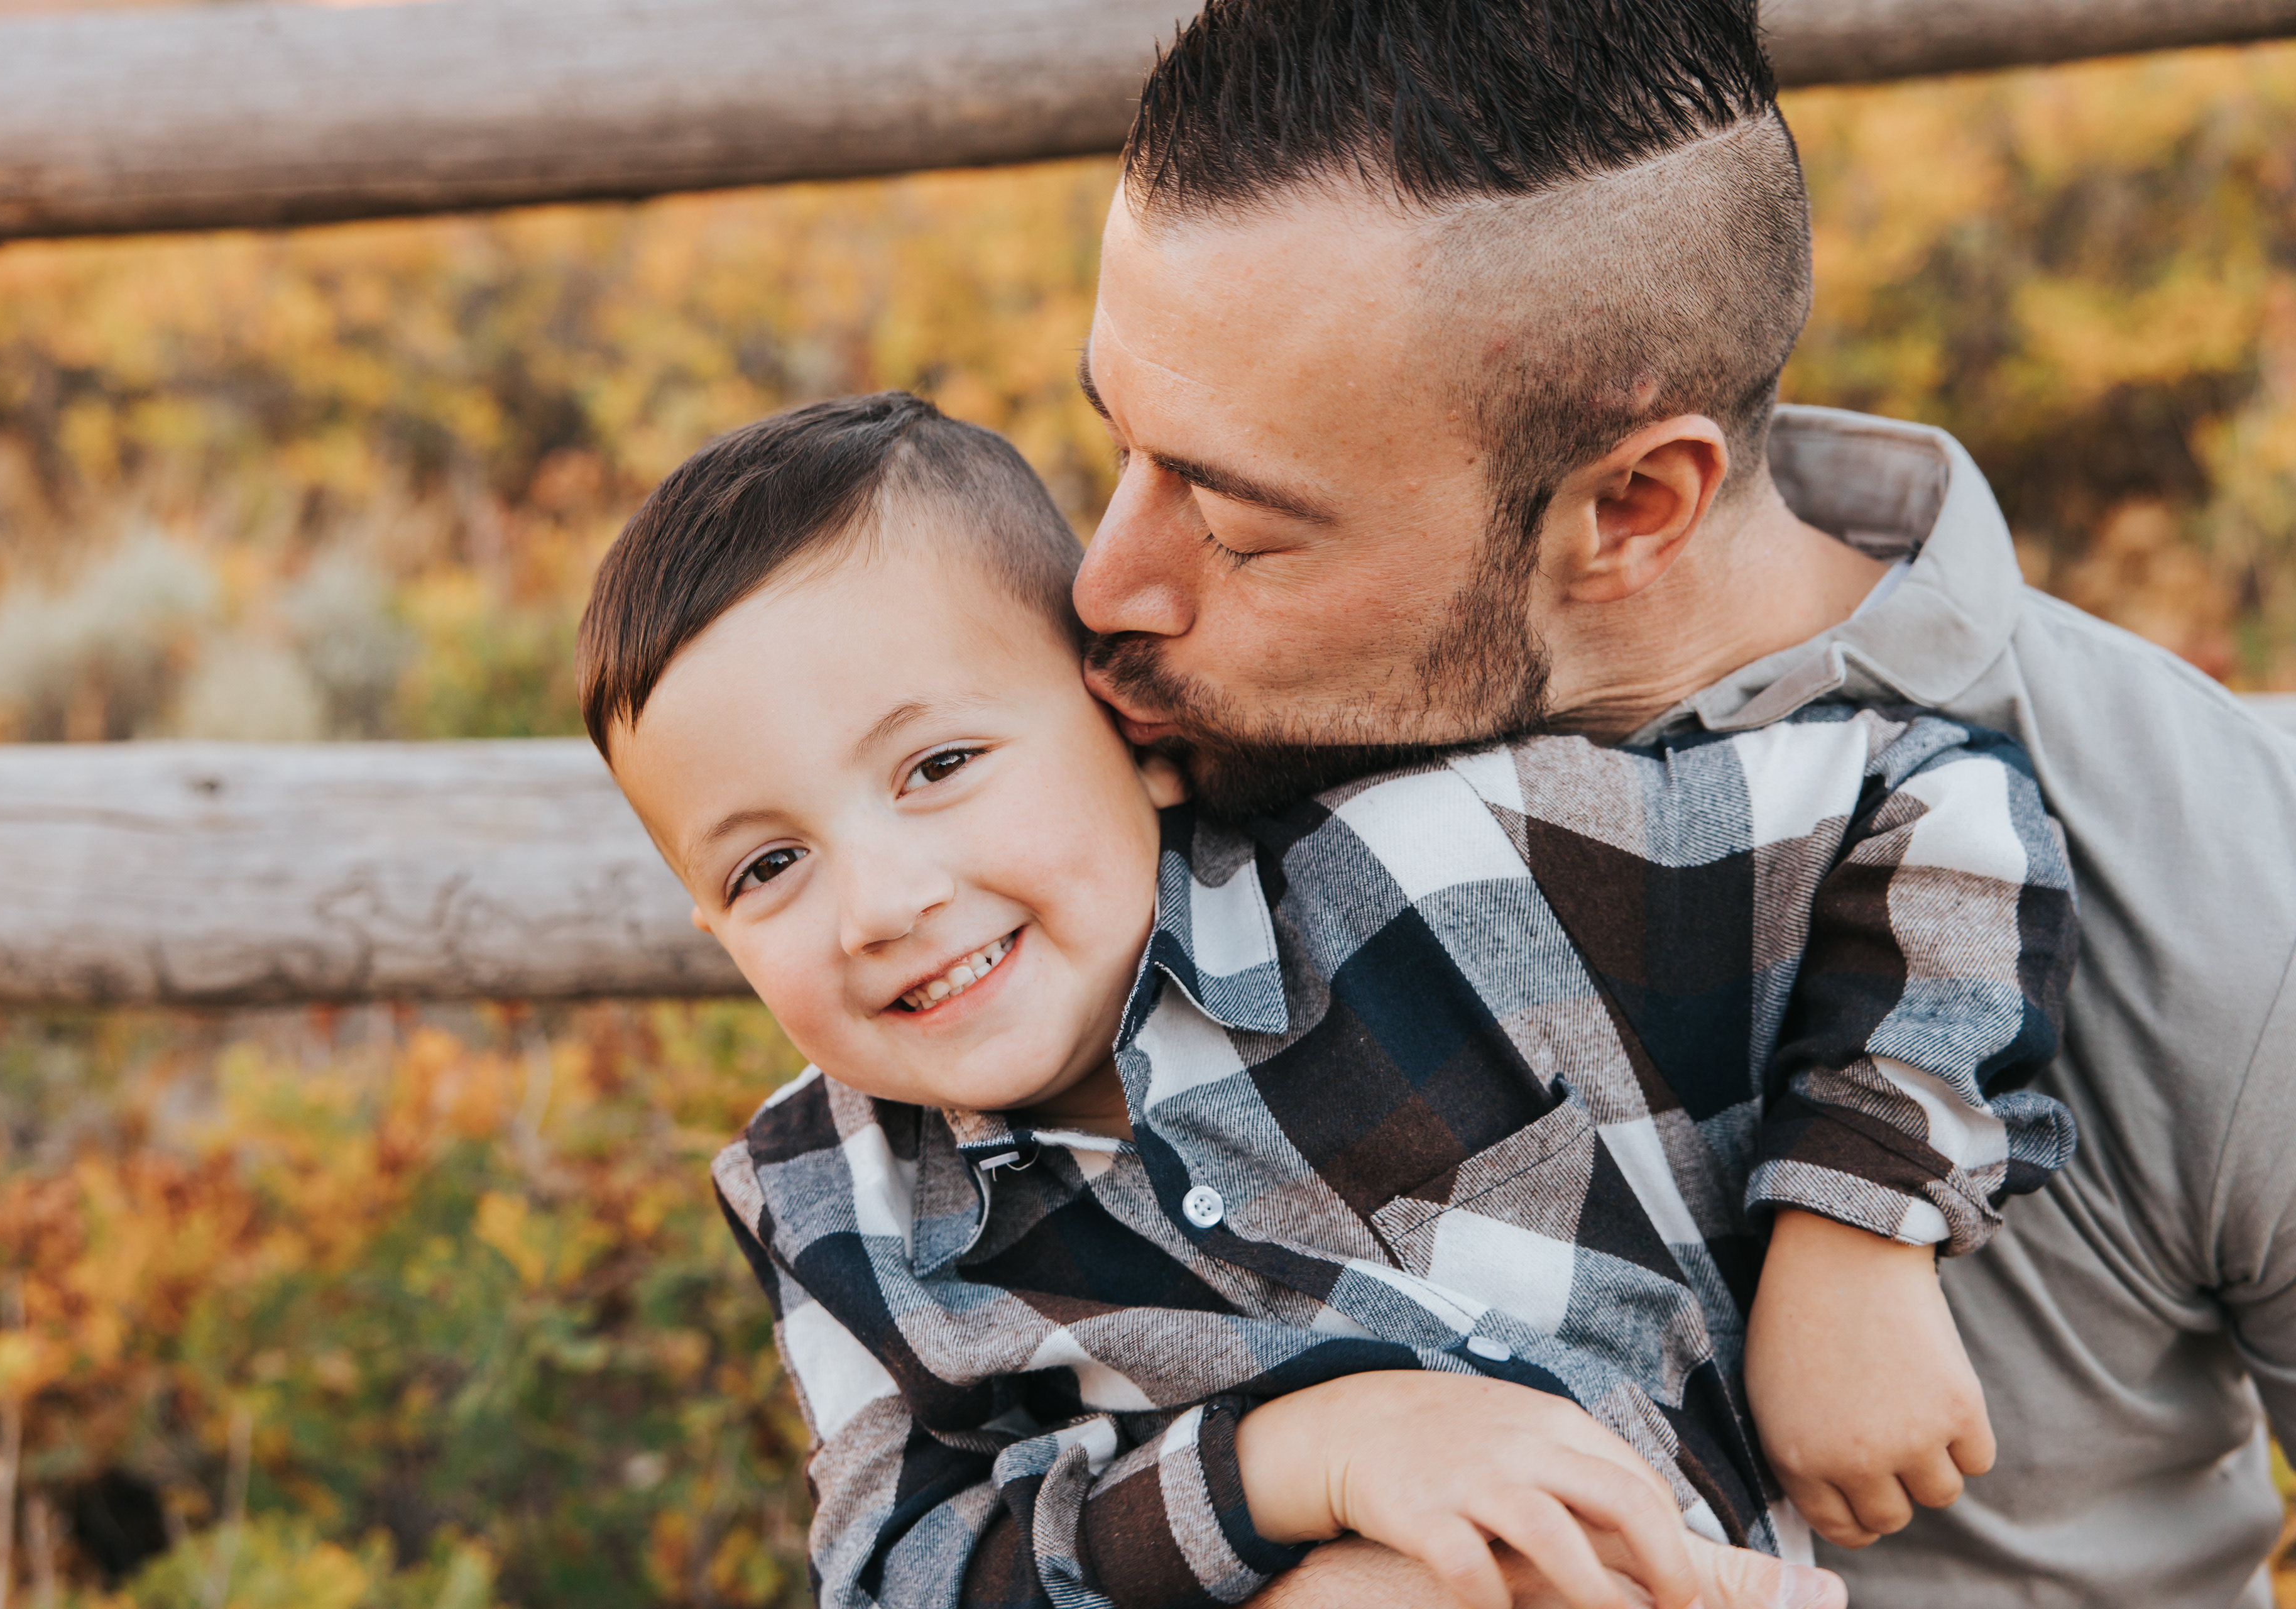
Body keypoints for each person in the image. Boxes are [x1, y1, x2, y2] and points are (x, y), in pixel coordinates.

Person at [1071, 1, 2296, 1605]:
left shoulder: (2223, 877)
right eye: (1118, 444)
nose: (1106, 586)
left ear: (1636, 506)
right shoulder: (1145, 759)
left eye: (1239, 524)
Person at [574, 391, 2077, 1609]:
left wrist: (1858, 1229)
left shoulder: (1432, 867)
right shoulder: (829, 1201)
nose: (880, 903)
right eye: (768, 864)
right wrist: (1299, 1461)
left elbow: (1928, 808)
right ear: (713, 921)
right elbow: (901, 1570)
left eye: (940, 766)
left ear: (1129, 725)